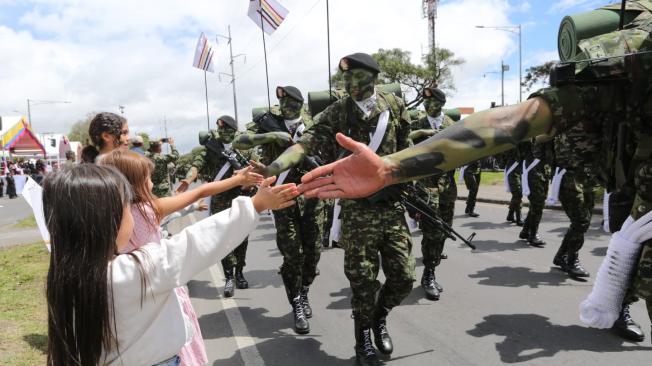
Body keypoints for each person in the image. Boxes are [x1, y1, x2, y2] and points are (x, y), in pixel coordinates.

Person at [43, 164, 297, 366]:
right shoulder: (139, 269)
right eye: (126, 208)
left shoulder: (63, 278)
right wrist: (256, 204)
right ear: (107, 222)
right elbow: (199, 240)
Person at [253, 54, 415, 365]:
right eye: (345, 78)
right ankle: (363, 338)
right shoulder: (338, 111)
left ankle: (380, 316)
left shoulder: (394, 106)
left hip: (392, 205)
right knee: (363, 281)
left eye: (356, 77)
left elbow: (406, 151)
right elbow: (304, 145)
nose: (349, 84)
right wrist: (273, 167)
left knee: (404, 278)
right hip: (356, 209)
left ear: (373, 76)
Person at [233, 86, 325, 335]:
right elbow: (238, 141)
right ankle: (296, 301)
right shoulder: (269, 121)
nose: (283, 106)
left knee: (313, 252)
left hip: (312, 195)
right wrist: (271, 136)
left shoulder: (312, 121)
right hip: (282, 197)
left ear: (298, 104)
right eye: (281, 102)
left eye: (289, 103)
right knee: (292, 253)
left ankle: (304, 290)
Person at [180, 115, 257, 298]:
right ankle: (229, 276)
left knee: (242, 236)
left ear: (233, 130)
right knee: (224, 238)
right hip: (221, 198)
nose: (222, 133)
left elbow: (255, 166)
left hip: (242, 196)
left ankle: (239, 272)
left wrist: (251, 180)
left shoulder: (245, 147)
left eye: (226, 129)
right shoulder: (211, 148)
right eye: (220, 129)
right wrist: (188, 179)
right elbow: (196, 164)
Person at [408, 87, 456, 301]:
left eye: (433, 102)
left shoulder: (452, 126)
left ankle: (432, 269)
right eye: (425, 102)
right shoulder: (416, 124)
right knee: (432, 232)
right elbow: (403, 146)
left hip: (447, 187)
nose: (427, 105)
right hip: (425, 188)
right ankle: (428, 275)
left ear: (441, 104)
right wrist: (420, 134)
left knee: (444, 230)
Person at [552, 122, 600, 278]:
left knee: (581, 222)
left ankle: (561, 256)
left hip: (589, 178)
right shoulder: (563, 122)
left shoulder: (596, 117)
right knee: (581, 221)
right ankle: (572, 260)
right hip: (570, 178)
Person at [519, 138, 554, 246]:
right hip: (534, 170)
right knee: (537, 204)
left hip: (542, 170)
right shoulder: (533, 134)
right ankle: (533, 235)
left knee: (537, 204)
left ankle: (525, 231)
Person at [503, 142, 527, 226]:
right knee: (518, 194)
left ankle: (510, 215)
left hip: (518, 170)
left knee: (516, 194)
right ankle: (518, 218)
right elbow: (519, 155)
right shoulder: (513, 143)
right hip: (513, 171)